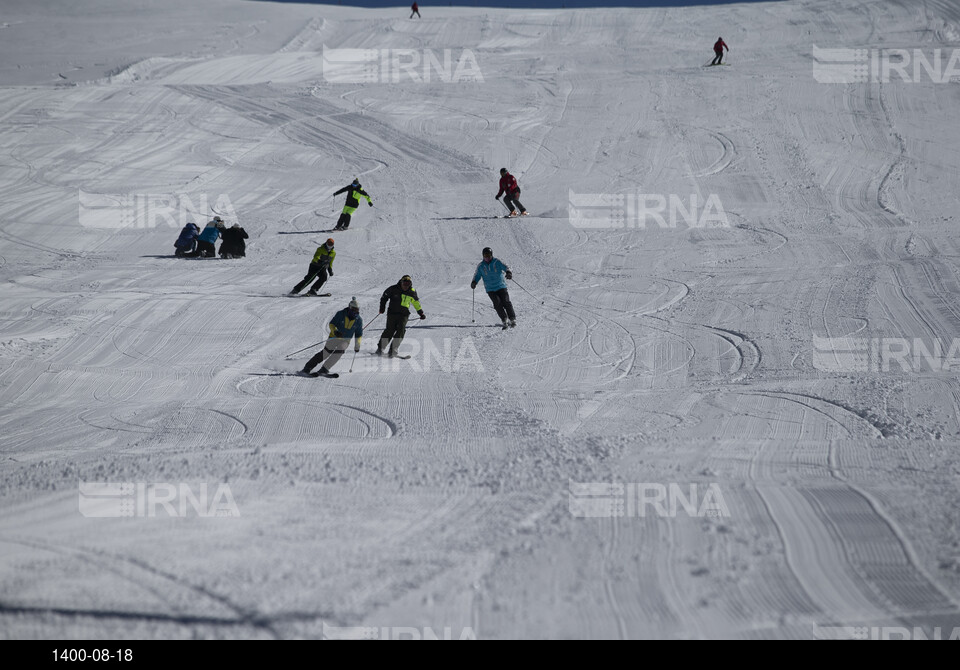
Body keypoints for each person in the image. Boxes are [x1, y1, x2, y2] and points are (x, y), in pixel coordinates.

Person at [301, 297, 363, 378]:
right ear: (350, 308)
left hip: (345, 340)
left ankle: (325, 369)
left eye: (357, 310)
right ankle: (308, 367)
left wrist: (357, 345)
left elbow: (358, 334)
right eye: (354, 309)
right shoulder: (341, 314)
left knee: (340, 350)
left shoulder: (359, 320)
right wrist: (335, 331)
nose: (355, 311)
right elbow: (332, 324)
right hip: (334, 337)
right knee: (325, 353)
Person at [376, 274, 425, 357]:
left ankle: (393, 350)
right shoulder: (393, 289)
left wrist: (420, 313)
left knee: (401, 330)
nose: (406, 286)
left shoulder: (412, 291)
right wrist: (382, 308)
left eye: (408, 284)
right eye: (404, 284)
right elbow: (384, 297)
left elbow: (416, 302)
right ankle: (380, 348)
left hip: (404, 314)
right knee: (389, 330)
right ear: (401, 282)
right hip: (392, 313)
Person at [471, 247, 516, 329]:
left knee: (506, 301)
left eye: (488, 255)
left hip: (501, 286)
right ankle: (504, 319)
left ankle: (512, 318)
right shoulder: (481, 266)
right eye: (485, 255)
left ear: (492, 255)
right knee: (497, 303)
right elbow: (477, 275)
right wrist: (474, 282)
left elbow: (506, 267)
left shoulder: (497, 262)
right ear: (483, 256)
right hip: (490, 289)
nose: (487, 257)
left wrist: (508, 272)